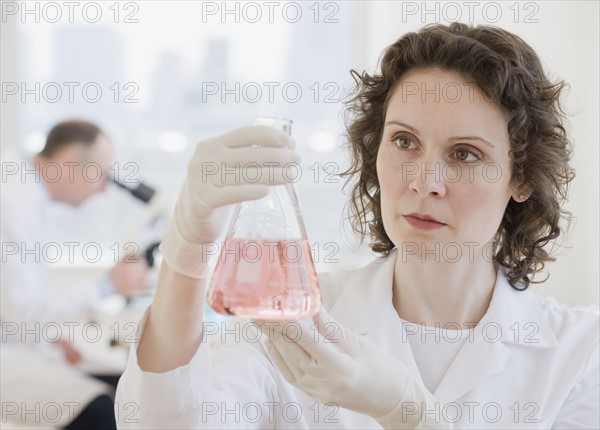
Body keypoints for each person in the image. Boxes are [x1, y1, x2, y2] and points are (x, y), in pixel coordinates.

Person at [115, 23, 599, 429]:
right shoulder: (292, 324)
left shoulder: (580, 353)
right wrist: (189, 240)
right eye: (405, 142)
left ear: (521, 178)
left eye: (465, 154)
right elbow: (168, 422)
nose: (424, 181)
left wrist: (408, 413)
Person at [1, 120, 149, 429]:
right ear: (69, 162)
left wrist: (45, 337)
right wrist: (108, 284)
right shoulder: (14, 204)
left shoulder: (21, 187)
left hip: (14, 342)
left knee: (123, 385)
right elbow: (19, 314)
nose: (104, 188)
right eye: (101, 174)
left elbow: (11, 306)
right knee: (101, 411)